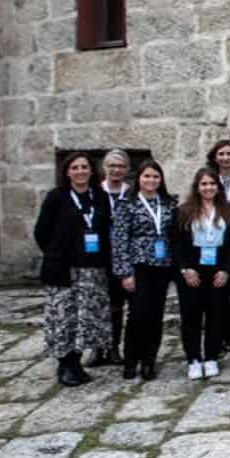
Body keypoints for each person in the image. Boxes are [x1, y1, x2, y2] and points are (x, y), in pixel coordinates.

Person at [35, 152, 114, 386]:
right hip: (63, 269)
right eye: (75, 167)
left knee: (86, 317)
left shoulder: (100, 197)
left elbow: (104, 229)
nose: (80, 171)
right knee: (64, 316)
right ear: (67, 172)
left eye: (84, 167)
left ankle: (77, 360)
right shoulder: (56, 197)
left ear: (92, 171)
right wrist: (55, 254)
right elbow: (41, 231)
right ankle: (65, 364)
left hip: (92, 268)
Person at [111, 159, 176, 380]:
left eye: (155, 176)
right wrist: (124, 272)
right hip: (138, 266)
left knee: (155, 316)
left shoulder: (168, 203)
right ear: (138, 178)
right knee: (137, 315)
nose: (151, 180)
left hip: (161, 266)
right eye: (147, 176)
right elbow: (119, 240)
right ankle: (131, 360)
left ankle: (149, 361)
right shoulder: (127, 204)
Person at [172, 167, 230, 380]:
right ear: (197, 187)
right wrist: (184, 269)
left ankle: (211, 357)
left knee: (216, 316)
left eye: (212, 184)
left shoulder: (228, 211)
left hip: (217, 271)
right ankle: (193, 359)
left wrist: (226, 270)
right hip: (192, 271)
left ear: (218, 187)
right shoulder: (183, 211)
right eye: (204, 184)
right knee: (191, 316)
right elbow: (177, 244)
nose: (208, 188)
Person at [92, 148, 131, 367]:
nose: (116, 170)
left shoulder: (131, 193)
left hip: (123, 255)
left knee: (116, 304)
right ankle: (98, 347)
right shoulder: (95, 192)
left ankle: (114, 346)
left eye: (120, 166)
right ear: (104, 168)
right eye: (111, 166)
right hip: (99, 256)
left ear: (126, 169)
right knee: (97, 303)